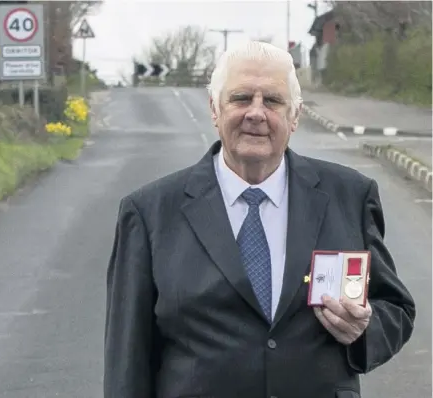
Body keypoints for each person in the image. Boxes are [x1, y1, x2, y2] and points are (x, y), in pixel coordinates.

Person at [104, 41, 415, 398]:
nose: (256, 113)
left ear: (295, 116)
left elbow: (396, 308)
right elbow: (126, 359)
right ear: (214, 109)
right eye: (240, 98)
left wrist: (365, 328)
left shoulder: (350, 195)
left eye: (272, 100)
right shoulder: (149, 212)